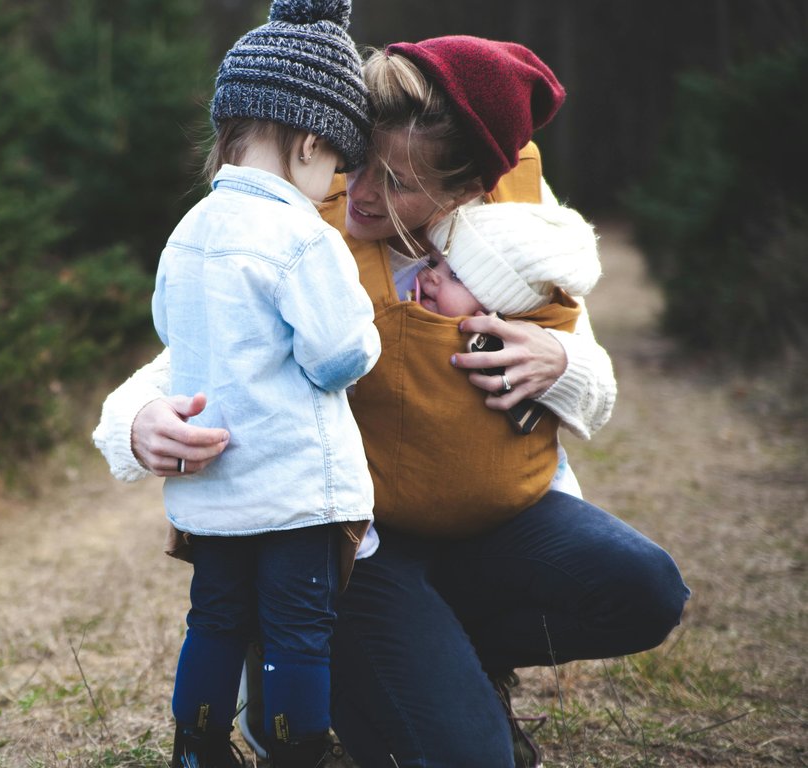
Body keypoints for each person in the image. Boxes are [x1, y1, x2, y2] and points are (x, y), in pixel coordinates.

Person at [94, 35, 690, 768]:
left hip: (493, 523)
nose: (365, 193)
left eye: (400, 182)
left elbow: (593, 384)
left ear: (470, 187)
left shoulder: (516, 232)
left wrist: (561, 361)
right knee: (472, 759)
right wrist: (134, 422)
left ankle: (437, 659)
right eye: (359, 162)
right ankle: (298, 649)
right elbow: (194, 349)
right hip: (357, 544)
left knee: (647, 590)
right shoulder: (301, 217)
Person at [153, 2, 379, 766]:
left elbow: (169, 327)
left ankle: (197, 746)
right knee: (296, 631)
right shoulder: (301, 235)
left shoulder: (188, 231)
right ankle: (298, 749)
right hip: (292, 490)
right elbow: (338, 354)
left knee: (214, 617)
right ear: (311, 142)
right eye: (336, 167)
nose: (334, 187)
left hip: (215, 489)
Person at [352, 201, 603, 539]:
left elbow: (593, 405)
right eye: (434, 262)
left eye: (454, 275)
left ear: (494, 309)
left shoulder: (521, 335)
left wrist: (563, 361)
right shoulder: (393, 297)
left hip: (520, 507)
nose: (428, 275)